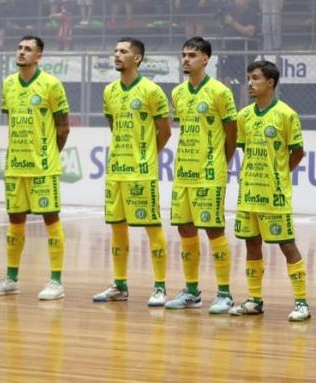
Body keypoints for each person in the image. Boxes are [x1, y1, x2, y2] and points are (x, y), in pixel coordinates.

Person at [0, 36, 71, 299]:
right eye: (20, 48)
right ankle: (11, 278)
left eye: (28, 49)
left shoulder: (51, 85)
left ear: (39, 56)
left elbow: (63, 127)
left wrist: (49, 155)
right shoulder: (9, 84)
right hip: (15, 166)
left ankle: (56, 281)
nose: (22, 52)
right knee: (15, 221)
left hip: (43, 167)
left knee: (50, 219)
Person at [92, 37, 172, 306]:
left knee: (152, 227)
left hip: (141, 173)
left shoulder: (152, 91)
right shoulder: (109, 91)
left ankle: (160, 287)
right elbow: (113, 125)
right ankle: (119, 285)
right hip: (115, 171)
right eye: (115, 51)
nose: (117, 55)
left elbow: (165, 131)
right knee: (117, 227)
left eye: (123, 51)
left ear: (136, 58)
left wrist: (146, 156)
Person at [229, 60, 309, 322]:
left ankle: (301, 303)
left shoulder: (287, 115)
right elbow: (245, 150)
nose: (250, 83)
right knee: (251, 243)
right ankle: (254, 300)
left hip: (275, 196)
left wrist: (279, 174)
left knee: (287, 245)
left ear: (270, 82)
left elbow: (297, 152)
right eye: (249, 78)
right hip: (248, 193)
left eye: (255, 78)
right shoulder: (244, 116)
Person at [164, 37, 237, 314]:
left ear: (206, 59)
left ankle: (225, 294)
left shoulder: (220, 92)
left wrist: (222, 163)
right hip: (183, 172)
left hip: (209, 173)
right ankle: (192, 292)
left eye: (192, 55)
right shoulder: (178, 93)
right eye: (184, 54)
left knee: (213, 229)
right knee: (185, 228)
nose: (186, 59)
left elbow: (232, 133)